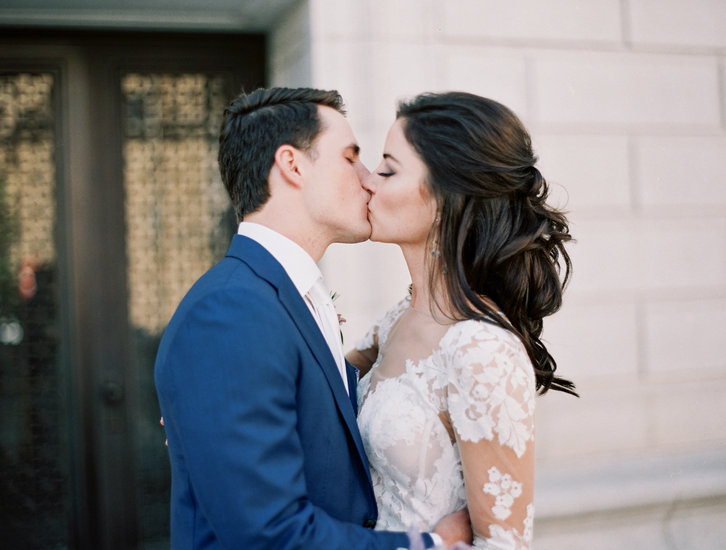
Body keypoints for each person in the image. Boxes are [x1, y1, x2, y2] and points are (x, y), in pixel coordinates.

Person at [154, 87, 470, 549]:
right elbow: (268, 533)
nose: (369, 180)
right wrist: (428, 545)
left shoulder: (284, 298)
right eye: (350, 158)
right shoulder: (230, 314)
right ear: (292, 165)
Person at [346, 92, 578, 549]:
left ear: (446, 200)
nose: (368, 181)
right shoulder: (396, 320)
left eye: (388, 169)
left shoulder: (481, 349)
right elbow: (312, 391)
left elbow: (502, 544)